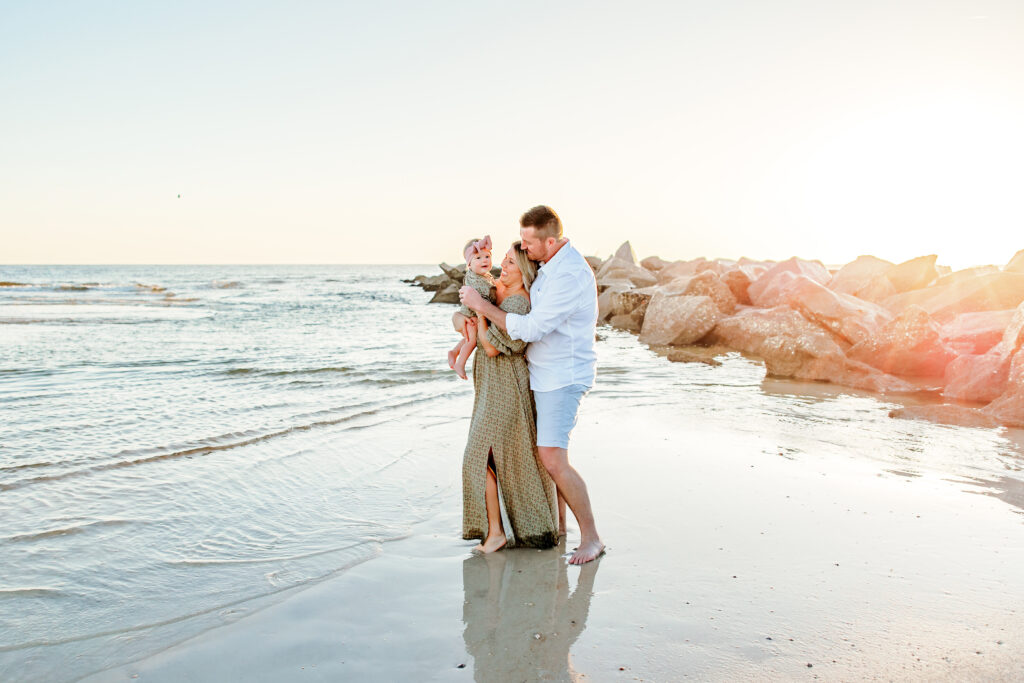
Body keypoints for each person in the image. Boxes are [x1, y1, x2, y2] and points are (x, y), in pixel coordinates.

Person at [458, 205, 604, 565]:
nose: (523, 248)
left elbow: (531, 327)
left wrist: (481, 308)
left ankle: (592, 539)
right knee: (547, 458)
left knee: (553, 458)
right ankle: (559, 527)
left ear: (549, 241)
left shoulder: (568, 274)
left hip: (562, 377)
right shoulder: (549, 266)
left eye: (527, 242)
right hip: (540, 374)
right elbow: (497, 286)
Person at [461, 242, 559, 552]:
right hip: (490, 382)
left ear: (526, 272)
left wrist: (480, 311)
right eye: (503, 260)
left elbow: (490, 346)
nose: (503, 267)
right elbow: (465, 312)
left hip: (508, 385)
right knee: (493, 456)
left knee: (481, 456)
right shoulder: (496, 292)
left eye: (511, 264)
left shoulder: (520, 303)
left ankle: (497, 533)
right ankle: (499, 530)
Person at [448, 235, 495, 380]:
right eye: (478, 258)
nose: (484, 260)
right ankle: (460, 363)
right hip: (470, 316)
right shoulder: (474, 278)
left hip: (471, 314)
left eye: (487, 256)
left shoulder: (485, 277)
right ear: (469, 264)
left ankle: (455, 351)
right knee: (472, 341)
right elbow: (483, 296)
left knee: (470, 338)